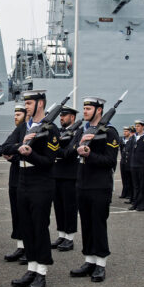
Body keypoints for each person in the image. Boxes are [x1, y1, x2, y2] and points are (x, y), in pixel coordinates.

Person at [3, 90, 60, 287]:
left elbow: (48, 162)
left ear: (41, 104)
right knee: (25, 225)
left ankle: (42, 272)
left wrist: (31, 154)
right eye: (25, 103)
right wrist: (20, 147)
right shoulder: (24, 128)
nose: (26, 106)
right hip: (22, 181)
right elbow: (3, 147)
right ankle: (31, 268)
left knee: (39, 227)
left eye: (30, 103)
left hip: (41, 183)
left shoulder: (50, 129)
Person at [70, 96, 119, 283]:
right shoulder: (84, 130)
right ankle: (89, 260)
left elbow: (110, 161)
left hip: (100, 186)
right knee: (87, 224)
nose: (85, 112)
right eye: (84, 108)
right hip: (83, 184)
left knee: (98, 224)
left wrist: (90, 154)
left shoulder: (109, 132)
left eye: (89, 108)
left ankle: (101, 263)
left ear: (99, 110)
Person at [0, 104, 26, 262]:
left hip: (28, 176)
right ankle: (21, 246)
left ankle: (29, 247)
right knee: (17, 214)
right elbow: (1, 149)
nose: (15, 117)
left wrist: (14, 154)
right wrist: (17, 149)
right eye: (15, 114)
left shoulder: (29, 130)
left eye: (19, 114)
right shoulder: (17, 131)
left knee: (27, 215)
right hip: (15, 177)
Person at [51, 106, 81, 252]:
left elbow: (69, 152)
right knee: (59, 207)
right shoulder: (59, 132)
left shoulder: (77, 132)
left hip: (70, 175)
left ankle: (69, 238)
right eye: (61, 116)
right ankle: (61, 235)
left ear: (72, 117)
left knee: (70, 207)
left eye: (65, 116)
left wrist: (55, 151)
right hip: (56, 174)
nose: (61, 118)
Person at [119, 126, 133, 200]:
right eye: (124, 131)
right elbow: (121, 150)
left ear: (130, 132)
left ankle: (129, 193)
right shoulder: (122, 140)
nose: (125, 133)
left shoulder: (131, 140)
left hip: (129, 161)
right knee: (124, 177)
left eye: (126, 131)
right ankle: (124, 192)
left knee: (129, 178)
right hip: (123, 161)